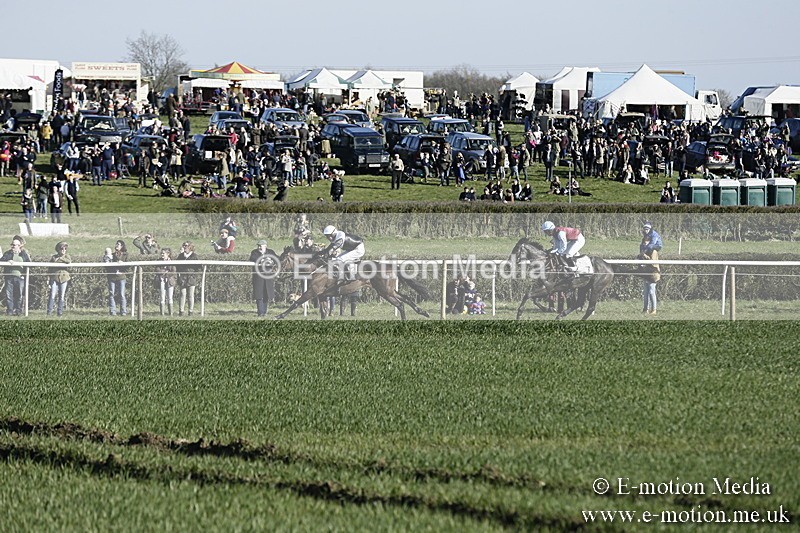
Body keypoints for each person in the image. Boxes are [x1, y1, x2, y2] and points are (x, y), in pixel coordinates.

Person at [2, 236, 31, 315]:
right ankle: (10, 311)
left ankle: (18, 311)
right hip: (9, 277)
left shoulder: (23, 254)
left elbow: (28, 263)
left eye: (14, 245)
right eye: (12, 244)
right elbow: (2, 260)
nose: (13, 246)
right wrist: (8, 260)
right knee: (9, 295)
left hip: (20, 277)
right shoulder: (8, 253)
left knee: (19, 295)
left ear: (19, 246)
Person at [249, 239, 278, 317]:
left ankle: (264, 312)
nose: (259, 247)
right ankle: (260, 312)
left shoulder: (271, 252)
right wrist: (263, 259)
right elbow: (253, 258)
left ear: (265, 246)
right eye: (258, 246)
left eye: (260, 246)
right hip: (258, 277)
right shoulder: (254, 252)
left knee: (266, 294)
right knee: (259, 295)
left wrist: (271, 260)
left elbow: (276, 259)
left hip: (268, 277)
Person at [639, 221, 662, 315]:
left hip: (653, 272)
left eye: (646, 243)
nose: (644, 244)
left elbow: (652, 262)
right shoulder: (645, 248)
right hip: (646, 272)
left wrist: (644, 255)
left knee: (652, 291)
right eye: (644, 242)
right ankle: (645, 309)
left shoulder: (654, 251)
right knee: (645, 292)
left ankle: (654, 309)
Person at [104, 240, 129, 316]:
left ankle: (123, 311)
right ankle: (113, 311)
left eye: (118, 244)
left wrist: (122, 265)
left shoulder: (125, 255)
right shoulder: (111, 255)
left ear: (122, 246)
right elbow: (107, 267)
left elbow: (128, 266)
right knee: (111, 294)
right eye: (116, 244)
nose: (116, 245)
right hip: (112, 277)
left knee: (122, 294)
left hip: (121, 277)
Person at [175, 241, 199, 316]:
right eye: (184, 245)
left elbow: (198, 267)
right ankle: (181, 311)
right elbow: (177, 266)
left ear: (190, 247)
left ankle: (190, 311)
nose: (184, 247)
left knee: (191, 295)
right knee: (182, 294)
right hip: (183, 277)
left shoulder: (194, 256)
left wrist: (194, 275)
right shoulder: (181, 256)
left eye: (186, 245)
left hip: (191, 278)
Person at [47, 241, 71, 317]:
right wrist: (48, 278)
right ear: (58, 249)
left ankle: (59, 312)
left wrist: (60, 258)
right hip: (54, 278)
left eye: (65, 249)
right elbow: (51, 266)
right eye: (62, 248)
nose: (63, 250)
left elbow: (68, 261)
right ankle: (49, 312)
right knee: (52, 295)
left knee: (62, 296)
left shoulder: (67, 256)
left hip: (64, 278)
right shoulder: (54, 257)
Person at [155, 248, 177, 316]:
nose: (162, 254)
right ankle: (162, 313)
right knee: (162, 297)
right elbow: (157, 270)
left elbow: (173, 271)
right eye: (161, 253)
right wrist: (165, 271)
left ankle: (171, 313)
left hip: (170, 281)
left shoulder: (172, 261)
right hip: (161, 280)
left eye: (163, 253)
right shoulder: (158, 261)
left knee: (170, 297)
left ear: (168, 254)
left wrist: (167, 274)